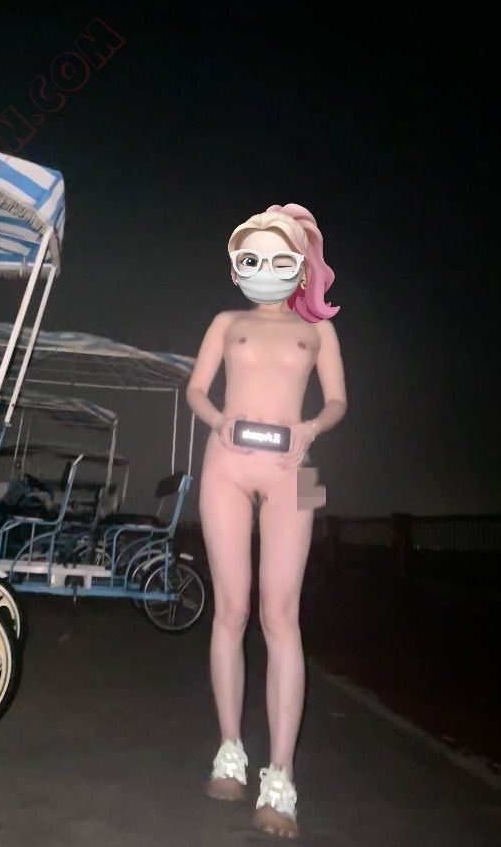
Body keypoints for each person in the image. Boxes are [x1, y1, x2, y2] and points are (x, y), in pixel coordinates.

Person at [185, 203, 347, 838]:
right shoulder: (226, 322)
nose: (265, 269)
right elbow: (196, 390)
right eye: (251, 258)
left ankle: (281, 778)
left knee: (282, 615)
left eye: (279, 258)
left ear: (301, 267)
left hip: (299, 472)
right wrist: (219, 420)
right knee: (230, 610)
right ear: (236, 268)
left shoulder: (320, 331)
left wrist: (311, 429)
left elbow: (338, 401)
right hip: (224, 464)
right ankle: (230, 751)